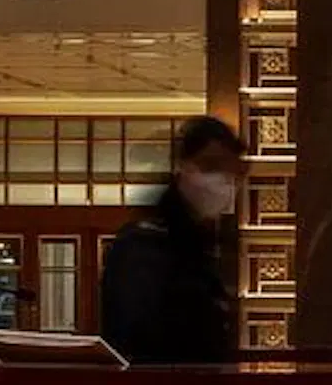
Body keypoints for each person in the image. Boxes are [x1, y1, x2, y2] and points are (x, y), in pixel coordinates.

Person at [99, 116, 244, 368]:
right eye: (210, 166)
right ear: (183, 167)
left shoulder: (206, 244)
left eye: (231, 171)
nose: (223, 180)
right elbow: (137, 335)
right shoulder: (144, 244)